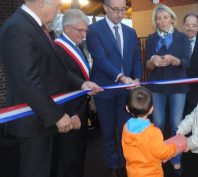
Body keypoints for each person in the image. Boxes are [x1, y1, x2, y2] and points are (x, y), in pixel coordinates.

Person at [0, 0, 102, 177]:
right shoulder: (17, 28)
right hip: (33, 122)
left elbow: (56, 71)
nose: (57, 12)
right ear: (41, 3)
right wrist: (56, 115)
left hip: (44, 120)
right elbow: (28, 81)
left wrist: (81, 84)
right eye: (56, 6)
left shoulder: (36, 27)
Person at [86, 0, 143, 176]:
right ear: (105, 8)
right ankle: (113, 166)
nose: (120, 14)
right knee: (109, 130)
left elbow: (136, 59)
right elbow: (100, 59)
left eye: (123, 10)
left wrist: (137, 78)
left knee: (125, 129)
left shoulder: (131, 32)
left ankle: (126, 161)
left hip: (126, 91)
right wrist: (121, 77)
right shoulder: (94, 30)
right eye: (116, 10)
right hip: (104, 90)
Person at [145, 4, 190, 174]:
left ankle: (176, 157)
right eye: (158, 18)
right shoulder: (151, 38)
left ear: (172, 18)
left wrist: (174, 60)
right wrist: (153, 60)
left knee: (176, 124)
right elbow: (147, 65)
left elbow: (187, 62)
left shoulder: (182, 37)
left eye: (165, 17)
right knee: (158, 123)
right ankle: (158, 154)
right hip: (157, 86)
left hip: (178, 86)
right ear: (155, 21)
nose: (162, 21)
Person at [52, 9, 92, 177]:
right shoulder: (57, 49)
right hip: (70, 112)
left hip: (81, 107)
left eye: (85, 31)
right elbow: (57, 84)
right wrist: (71, 112)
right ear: (67, 28)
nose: (84, 35)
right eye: (80, 30)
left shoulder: (77, 46)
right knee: (69, 157)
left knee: (78, 153)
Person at [121, 86, 187, 177]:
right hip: (152, 174)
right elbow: (162, 153)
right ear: (151, 109)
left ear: (127, 108)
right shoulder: (153, 133)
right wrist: (175, 147)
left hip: (132, 173)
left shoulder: (126, 128)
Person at [182, 13, 198, 114]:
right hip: (180, 88)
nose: (190, 28)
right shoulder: (177, 42)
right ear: (183, 26)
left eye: (194, 26)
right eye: (188, 25)